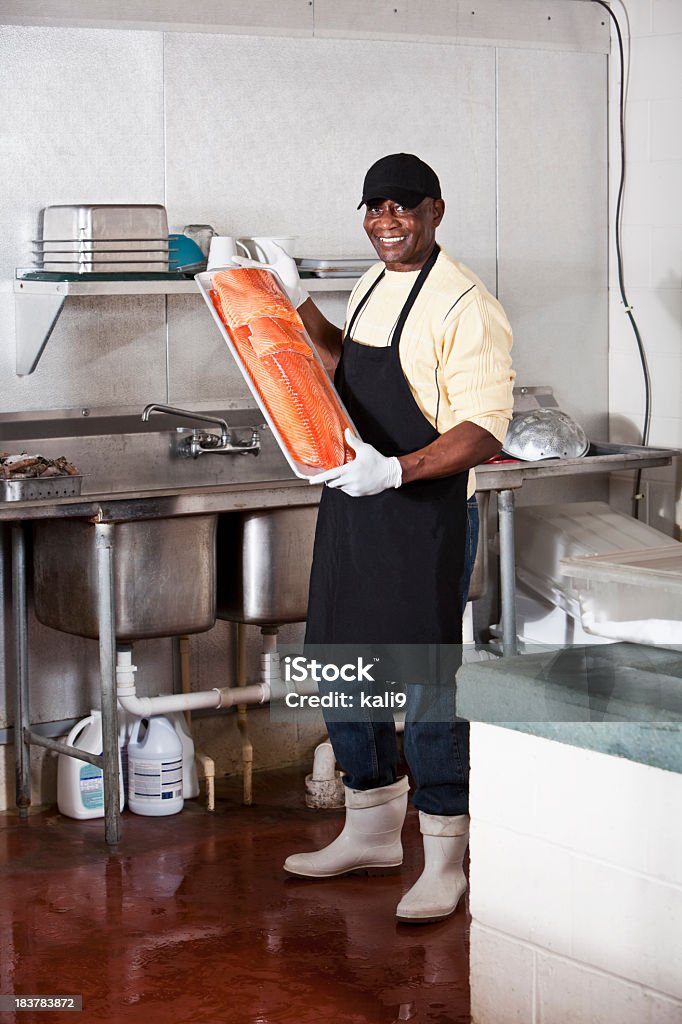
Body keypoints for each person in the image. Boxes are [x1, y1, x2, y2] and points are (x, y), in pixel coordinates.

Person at [235, 153, 514, 923]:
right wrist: (296, 304)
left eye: (402, 207)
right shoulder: (370, 281)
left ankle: (446, 854)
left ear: (436, 210)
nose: (386, 221)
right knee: (338, 660)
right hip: (354, 502)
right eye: (373, 208)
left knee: (424, 684)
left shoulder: (464, 304)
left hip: (419, 513)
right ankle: (370, 829)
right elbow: (344, 364)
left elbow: (484, 426)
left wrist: (394, 472)